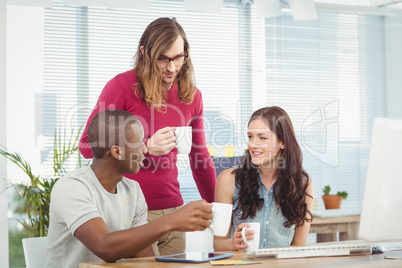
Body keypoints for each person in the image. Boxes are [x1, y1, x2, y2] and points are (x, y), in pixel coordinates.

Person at [79, 17, 216, 255]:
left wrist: (218, 208)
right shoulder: (122, 86)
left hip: (174, 210)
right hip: (132, 213)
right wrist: (144, 146)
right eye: (163, 58)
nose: (172, 67)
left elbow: (200, 157)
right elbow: (86, 146)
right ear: (144, 52)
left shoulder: (192, 97)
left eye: (178, 57)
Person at [45, 110, 212, 268]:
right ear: (117, 152)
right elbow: (104, 247)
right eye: (139, 144)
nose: (145, 150)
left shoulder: (132, 190)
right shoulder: (71, 187)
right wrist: (173, 220)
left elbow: (144, 259)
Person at [213, 106, 314, 251]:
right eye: (250, 136)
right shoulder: (228, 180)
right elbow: (218, 245)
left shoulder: (303, 184)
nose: (253, 144)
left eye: (262, 137)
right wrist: (232, 243)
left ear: (283, 142)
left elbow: (299, 247)